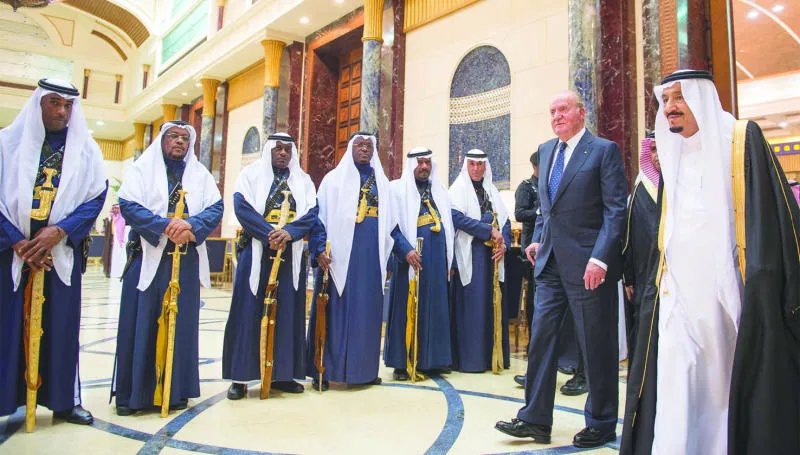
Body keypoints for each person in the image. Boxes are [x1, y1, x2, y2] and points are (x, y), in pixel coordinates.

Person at [621, 69, 800, 455]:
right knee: (674, 381)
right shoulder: (672, 154)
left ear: (701, 98)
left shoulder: (740, 140)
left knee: (721, 386)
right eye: (666, 100)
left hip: (725, 297)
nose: (670, 107)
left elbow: (771, 217)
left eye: (679, 97)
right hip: (676, 297)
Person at [496, 90, 627, 448]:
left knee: (595, 345)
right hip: (550, 265)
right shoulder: (546, 150)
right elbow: (546, 208)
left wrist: (600, 258)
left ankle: (601, 422)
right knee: (541, 340)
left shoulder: (603, 151)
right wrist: (538, 238)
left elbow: (615, 211)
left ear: (581, 113)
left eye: (563, 109)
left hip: (589, 267)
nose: (556, 116)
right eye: (552, 111)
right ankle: (535, 420)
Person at [0, 78, 107, 425]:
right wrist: (18, 241)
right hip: (12, 252)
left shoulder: (87, 150)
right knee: (5, 327)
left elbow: (96, 197)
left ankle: (63, 401)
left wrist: (58, 232)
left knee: (61, 327)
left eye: (68, 105)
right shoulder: (7, 143)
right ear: (40, 103)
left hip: (59, 253)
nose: (62, 111)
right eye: (55, 103)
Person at [111, 121, 223, 415]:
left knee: (181, 324)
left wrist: (191, 225)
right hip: (147, 258)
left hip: (184, 260)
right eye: (173, 136)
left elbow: (215, 208)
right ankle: (134, 395)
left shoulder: (200, 174)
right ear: (162, 140)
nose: (179, 141)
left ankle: (175, 393)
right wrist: (165, 226)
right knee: (142, 321)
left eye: (184, 138)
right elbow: (129, 205)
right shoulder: (142, 170)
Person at [306, 132, 413, 390]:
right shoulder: (333, 181)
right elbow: (318, 220)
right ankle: (324, 371)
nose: (364, 149)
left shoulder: (383, 184)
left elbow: (392, 228)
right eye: (359, 145)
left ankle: (364, 372)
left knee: (367, 316)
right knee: (334, 315)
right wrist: (318, 250)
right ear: (350, 149)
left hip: (371, 261)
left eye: (368, 146)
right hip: (337, 260)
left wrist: (406, 252)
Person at [222, 133, 318, 398]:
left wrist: (288, 233)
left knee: (287, 312)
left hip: (289, 253)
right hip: (257, 252)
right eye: (278, 149)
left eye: (287, 149)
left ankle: (283, 375)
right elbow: (242, 207)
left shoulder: (303, 180)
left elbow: (312, 213)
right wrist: (270, 234)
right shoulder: (250, 175)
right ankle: (240, 377)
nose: (283, 153)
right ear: (268, 151)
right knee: (248, 311)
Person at [384, 147, 454, 380]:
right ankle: (401, 362)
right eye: (420, 162)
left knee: (434, 307)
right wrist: (406, 250)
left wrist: (450, 260)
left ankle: (432, 360)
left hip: (436, 261)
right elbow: (391, 226)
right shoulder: (396, 189)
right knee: (405, 308)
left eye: (427, 163)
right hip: (408, 260)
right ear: (411, 164)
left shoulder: (439, 191)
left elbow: (448, 226)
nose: (424, 167)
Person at [448, 149, 512, 373]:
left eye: (480, 164)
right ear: (466, 166)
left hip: (493, 257)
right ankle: (472, 361)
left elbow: (505, 221)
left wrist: (504, 244)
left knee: (492, 305)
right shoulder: (457, 189)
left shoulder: (491, 190)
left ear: (486, 166)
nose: (476, 168)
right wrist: (487, 231)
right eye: (472, 164)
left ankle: (493, 358)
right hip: (471, 255)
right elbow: (456, 217)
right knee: (473, 306)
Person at [621, 134, 660, 361]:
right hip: (645, 278)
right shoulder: (641, 189)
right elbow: (629, 236)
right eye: (652, 150)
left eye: (661, 149)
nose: (657, 156)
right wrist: (629, 278)